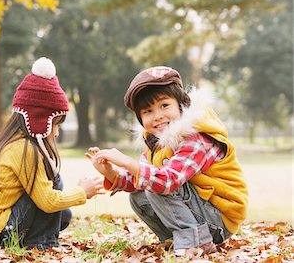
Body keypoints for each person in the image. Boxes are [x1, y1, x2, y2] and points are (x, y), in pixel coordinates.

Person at [86, 66, 248, 258]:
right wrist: (110, 172)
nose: (158, 116)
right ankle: (174, 241)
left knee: (156, 183)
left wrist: (127, 161)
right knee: (139, 195)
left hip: (219, 217)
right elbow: (139, 178)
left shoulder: (197, 137)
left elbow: (167, 181)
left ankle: (196, 243)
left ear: (181, 104)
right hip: (200, 211)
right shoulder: (156, 142)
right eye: (148, 111)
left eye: (164, 105)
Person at [0, 57, 104, 251]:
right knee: (53, 182)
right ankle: (42, 246)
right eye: (55, 124)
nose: (56, 132)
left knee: (63, 214)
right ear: (39, 119)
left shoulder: (13, 142)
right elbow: (47, 202)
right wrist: (83, 192)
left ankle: (37, 240)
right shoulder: (25, 150)